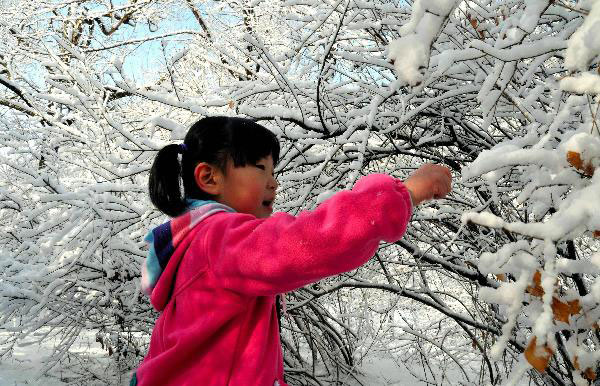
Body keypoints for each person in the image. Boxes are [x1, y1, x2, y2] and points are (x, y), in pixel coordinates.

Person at [131, 116, 452, 386]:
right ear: (209, 177)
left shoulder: (193, 246)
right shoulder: (217, 239)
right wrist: (402, 196)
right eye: (260, 168)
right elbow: (304, 242)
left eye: (274, 172)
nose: (273, 183)